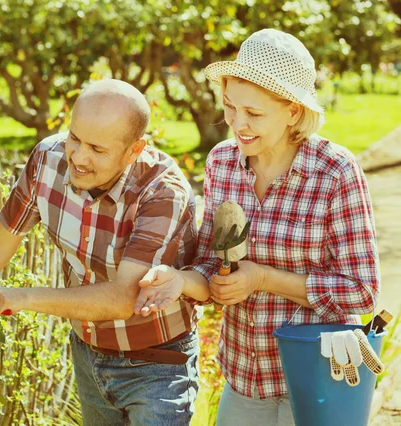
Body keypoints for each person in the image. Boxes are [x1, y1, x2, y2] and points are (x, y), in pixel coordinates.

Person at [133, 29, 380, 426]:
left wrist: (263, 278)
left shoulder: (335, 172)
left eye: (254, 113)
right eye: (230, 107)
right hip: (247, 376)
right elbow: (216, 268)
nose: (237, 124)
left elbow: (362, 292)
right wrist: (180, 280)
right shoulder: (223, 163)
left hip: (320, 377)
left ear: (293, 112)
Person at [0, 79, 200, 425]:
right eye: (75, 138)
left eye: (98, 150)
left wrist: (20, 297)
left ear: (134, 150)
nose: (79, 158)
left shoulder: (162, 192)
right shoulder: (48, 159)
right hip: (87, 353)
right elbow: (3, 237)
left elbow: (123, 298)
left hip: (157, 364)